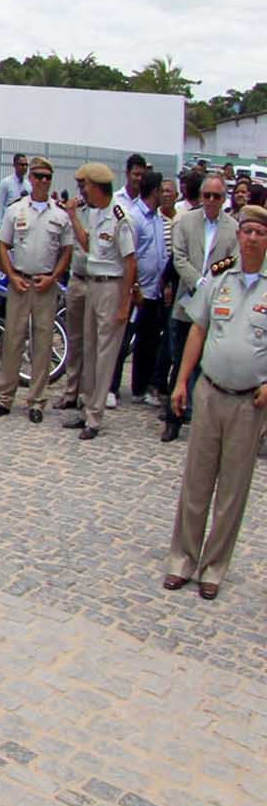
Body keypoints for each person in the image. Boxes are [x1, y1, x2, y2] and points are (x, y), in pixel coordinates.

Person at [163, 205, 267, 599]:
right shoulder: (220, 277)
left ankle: (213, 567)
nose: (252, 238)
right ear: (238, 236)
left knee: (233, 489)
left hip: (249, 403)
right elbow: (198, 330)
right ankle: (182, 560)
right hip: (210, 392)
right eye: (247, 231)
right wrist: (182, 381)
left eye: (260, 232)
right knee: (197, 481)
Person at [60, 162, 139, 441]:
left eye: (86, 186)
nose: (84, 191)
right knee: (91, 350)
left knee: (105, 354)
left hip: (111, 287)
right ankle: (85, 407)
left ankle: (95, 417)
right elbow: (88, 244)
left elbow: (130, 263)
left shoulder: (120, 217)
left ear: (96, 187)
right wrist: (73, 216)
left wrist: (124, 304)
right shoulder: (95, 214)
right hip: (93, 284)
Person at [0, 159, 73, 422]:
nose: (42, 181)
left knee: (43, 344)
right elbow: (2, 244)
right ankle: (4, 398)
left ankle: (36, 401)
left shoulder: (59, 215)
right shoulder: (16, 211)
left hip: (45, 285)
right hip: (20, 283)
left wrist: (55, 277)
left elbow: (67, 250)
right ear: (31, 178)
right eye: (38, 176)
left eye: (47, 177)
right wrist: (11, 275)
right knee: (12, 341)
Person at [163, 172, 231, 444]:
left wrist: (211, 281)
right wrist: (197, 281)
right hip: (186, 301)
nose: (212, 200)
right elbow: (178, 257)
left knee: (208, 368)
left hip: (216, 305)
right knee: (179, 363)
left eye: (217, 196)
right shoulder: (186, 221)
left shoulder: (233, 228)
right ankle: (172, 419)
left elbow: (232, 260)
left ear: (224, 199)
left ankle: (203, 422)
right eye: (207, 195)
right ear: (201, 196)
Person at [118, 171, 169, 407]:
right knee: (123, 340)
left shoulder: (158, 218)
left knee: (148, 344)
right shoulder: (134, 217)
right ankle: (112, 387)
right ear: (154, 191)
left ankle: (141, 387)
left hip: (154, 292)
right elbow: (131, 254)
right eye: (162, 190)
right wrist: (135, 286)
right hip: (137, 292)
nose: (165, 195)